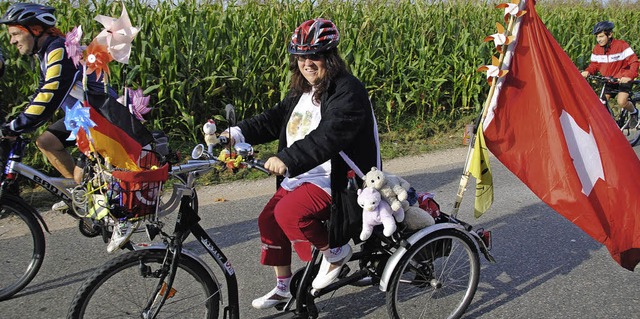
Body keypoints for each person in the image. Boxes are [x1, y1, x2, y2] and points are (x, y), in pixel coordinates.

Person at [221, 18, 380, 309]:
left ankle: (335, 253)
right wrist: (237, 132)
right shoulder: (302, 90)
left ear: (331, 57)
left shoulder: (348, 91)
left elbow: (329, 136)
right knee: (268, 220)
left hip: (339, 181)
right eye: (301, 56)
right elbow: (273, 119)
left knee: (290, 213)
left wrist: (285, 159)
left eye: (315, 56)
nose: (307, 63)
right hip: (306, 176)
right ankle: (283, 287)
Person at [0, 4, 113, 199]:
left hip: (101, 118)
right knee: (46, 142)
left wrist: (15, 126)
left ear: (35, 30)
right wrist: (18, 123)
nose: (12, 41)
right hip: (83, 117)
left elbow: (50, 94)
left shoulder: (58, 49)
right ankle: (84, 198)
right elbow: (42, 91)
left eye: (16, 34)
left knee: (81, 177)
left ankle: (96, 199)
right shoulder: (47, 51)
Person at [581, 20, 639, 126]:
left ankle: (634, 112)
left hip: (622, 80)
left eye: (601, 36)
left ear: (610, 34)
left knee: (621, 101)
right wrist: (587, 71)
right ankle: (610, 126)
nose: (599, 40)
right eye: (597, 37)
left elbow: (634, 62)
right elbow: (594, 65)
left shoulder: (621, 45)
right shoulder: (597, 49)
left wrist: (629, 76)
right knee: (600, 105)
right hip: (609, 80)